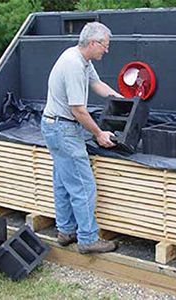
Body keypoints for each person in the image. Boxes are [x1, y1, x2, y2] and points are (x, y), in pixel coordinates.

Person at [41, 22, 122, 254]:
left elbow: (96, 84)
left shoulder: (79, 58)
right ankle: (87, 239)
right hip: (64, 128)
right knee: (83, 185)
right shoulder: (74, 65)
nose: (106, 50)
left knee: (62, 180)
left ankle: (66, 230)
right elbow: (78, 109)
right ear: (93, 43)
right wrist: (98, 134)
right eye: (105, 46)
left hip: (53, 125)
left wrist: (120, 98)